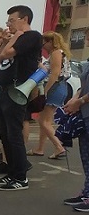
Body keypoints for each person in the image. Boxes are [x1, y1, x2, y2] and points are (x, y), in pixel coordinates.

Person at [0, 5, 43, 191]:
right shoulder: (14, 39)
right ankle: (12, 173)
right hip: (4, 89)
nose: (8, 24)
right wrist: (5, 42)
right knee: (4, 134)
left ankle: (21, 177)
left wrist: (14, 37)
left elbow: (8, 54)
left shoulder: (31, 36)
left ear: (24, 19)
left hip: (18, 90)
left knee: (14, 135)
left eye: (12, 20)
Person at [28, 31, 70, 159]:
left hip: (55, 88)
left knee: (43, 121)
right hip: (58, 87)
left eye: (44, 43)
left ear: (51, 42)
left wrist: (45, 91)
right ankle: (40, 148)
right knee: (45, 120)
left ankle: (59, 146)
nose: (43, 46)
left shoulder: (56, 53)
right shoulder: (58, 53)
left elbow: (54, 74)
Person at [61, 60, 89, 211]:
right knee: (86, 157)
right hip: (85, 113)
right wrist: (75, 98)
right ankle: (86, 192)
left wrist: (79, 101)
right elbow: (84, 85)